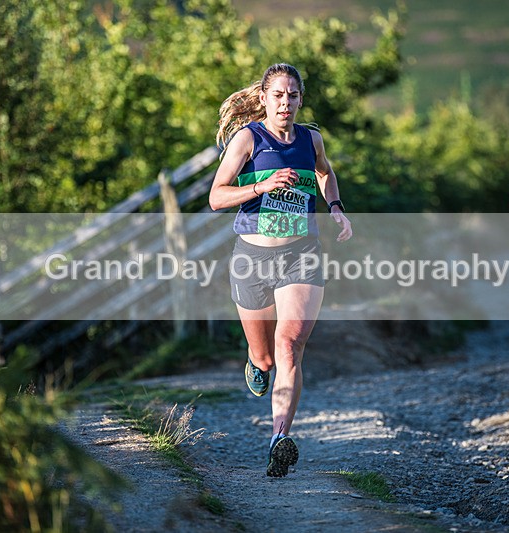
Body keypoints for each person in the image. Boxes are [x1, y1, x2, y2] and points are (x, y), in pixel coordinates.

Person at [208, 63, 352, 477]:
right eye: (278, 96)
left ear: (300, 99)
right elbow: (217, 197)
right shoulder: (248, 139)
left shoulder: (311, 139)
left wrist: (336, 208)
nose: (285, 103)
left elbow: (325, 173)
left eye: (292, 95)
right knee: (267, 358)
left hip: (301, 254)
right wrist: (261, 186)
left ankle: (279, 438)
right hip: (252, 256)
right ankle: (254, 359)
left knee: (290, 344)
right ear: (265, 99)